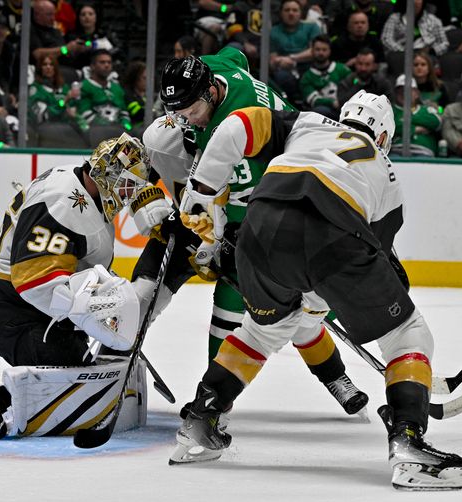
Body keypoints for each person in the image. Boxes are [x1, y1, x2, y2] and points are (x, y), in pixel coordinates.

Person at [170, 91, 462, 490]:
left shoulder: (307, 122)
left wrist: (203, 192)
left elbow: (237, 124)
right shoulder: (387, 173)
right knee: (408, 333)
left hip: (257, 230)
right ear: (384, 136)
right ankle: (409, 441)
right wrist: (320, 305)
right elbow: (373, 271)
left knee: (261, 331)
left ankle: (200, 422)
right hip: (331, 236)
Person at [144, 48, 369, 418]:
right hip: (272, 177)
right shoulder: (214, 70)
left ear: (209, 94)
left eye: (191, 113)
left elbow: (239, 199)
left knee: (295, 312)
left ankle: (329, 378)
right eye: (179, 114)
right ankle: (214, 392)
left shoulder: (232, 135)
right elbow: (236, 56)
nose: (187, 122)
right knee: (291, 311)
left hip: (282, 203)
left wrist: (215, 240)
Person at [0, 134, 151, 439]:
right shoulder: (64, 203)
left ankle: (8, 391)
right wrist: (94, 313)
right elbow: (34, 279)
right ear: (108, 175)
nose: (129, 195)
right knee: (70, 367)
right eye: (128, 185)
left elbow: (73, 266)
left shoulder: (81, 190)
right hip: (6, 309)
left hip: (24, 305)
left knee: (83, 365)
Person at [269, 0, 319, 103]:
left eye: (295, 10)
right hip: (284, 70)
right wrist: (279, 62)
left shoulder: (312, 27)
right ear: (281, 13)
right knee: (281, 76)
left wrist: (291, 58)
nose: (291, 13)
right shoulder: (273, 31)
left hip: (309, 67)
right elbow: (272, 60)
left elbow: (315, 51)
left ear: (301, 13)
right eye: (287, 10)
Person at [381, 0, 448, 75]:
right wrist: (404, 51)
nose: (416, 2)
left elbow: (444, 43)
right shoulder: (394, 19)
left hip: (427, 55)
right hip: (403, 56)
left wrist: (432, 50)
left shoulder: (434, 20)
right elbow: (386, 39)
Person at [75, 49, 131, 135]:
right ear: (92, 66)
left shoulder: (117, 88)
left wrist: (125, 125)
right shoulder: (84, 86)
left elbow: (123, 113)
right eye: (102, 62)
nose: (107, 65)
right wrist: (109, 126)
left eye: (109, 62)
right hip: (94, 133)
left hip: (117, 133)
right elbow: (84, 114)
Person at [299, 34, 351, 119]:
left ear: (330, 51)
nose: (321, 53)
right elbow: (314, 100)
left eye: (324, 50)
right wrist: (332, 103)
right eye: (317, 49)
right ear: (312, 51)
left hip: (346, 109)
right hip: (324, 113)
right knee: (320, 110)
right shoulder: (306, 77)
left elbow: (354, 84)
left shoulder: (342, 69)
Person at [390, 74, 441, 157]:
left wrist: (405, 120)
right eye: (401, 90)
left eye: (408, 90)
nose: (404, 93)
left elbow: (436, 122)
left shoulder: (426, 110)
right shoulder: (390, 110)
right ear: (396, 93)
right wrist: (416, 129)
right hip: (396, 150)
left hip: (424, 151)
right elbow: (392, 127)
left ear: (417, 93)